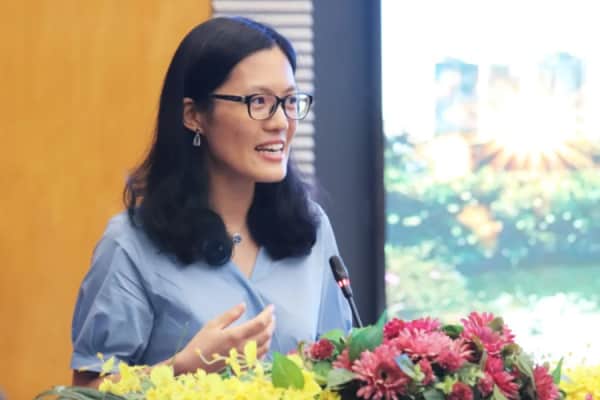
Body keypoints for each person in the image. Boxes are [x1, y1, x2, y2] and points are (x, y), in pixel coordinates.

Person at [70, 16, 352, 387]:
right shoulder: (130, 243)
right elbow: (84, 392)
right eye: (258, 101)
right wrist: (181, 369)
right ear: (194, 116)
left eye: (289, 101)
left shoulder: (312, 229)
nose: (281, 122)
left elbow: (340, 367)